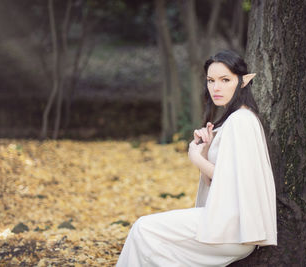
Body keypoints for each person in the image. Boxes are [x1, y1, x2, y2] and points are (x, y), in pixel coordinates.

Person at [116, 50, 277, 267]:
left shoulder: (241, 120)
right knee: (150, 241)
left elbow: (232, 183)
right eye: (211, 80)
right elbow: (216, 180)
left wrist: (195, 157)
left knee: (144, 229)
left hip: (233, 228)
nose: (216, 87)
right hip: (229, 224)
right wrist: (205, 150)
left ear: (243, 82)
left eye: (225, 80)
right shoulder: (233, 120)